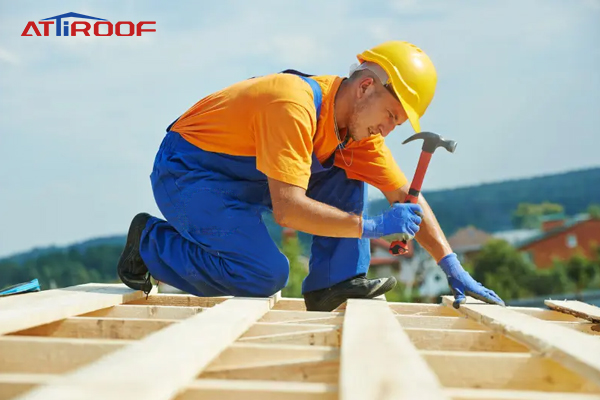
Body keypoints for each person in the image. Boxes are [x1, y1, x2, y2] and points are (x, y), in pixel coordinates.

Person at [117, 40, 505, 311]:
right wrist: (370, 226)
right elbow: (288, 210)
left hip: (248, 178)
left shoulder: (357, 132)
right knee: (263, 275)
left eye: (398, 124)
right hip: (189, 173)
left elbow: (406, 197)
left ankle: (333, 283)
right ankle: (149, 243)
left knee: (347, 169)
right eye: (390, 116)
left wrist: (450, 264)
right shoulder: (292, 104)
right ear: (366, 87)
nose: (388, 130)